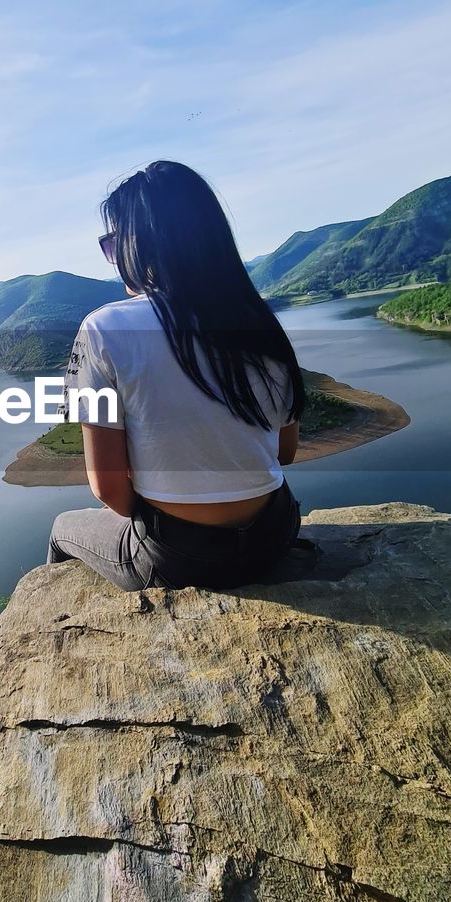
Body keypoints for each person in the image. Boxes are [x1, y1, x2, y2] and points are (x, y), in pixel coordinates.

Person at [46, 160, 304, 592]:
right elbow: (284, 452)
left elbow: (108, 489)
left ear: (140, 247)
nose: (114, 259)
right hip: (275, 533)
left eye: (114, 245)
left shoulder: (104, 328)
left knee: (61, 528)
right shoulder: (258, 319)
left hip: (180, 558)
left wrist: (167, 518)